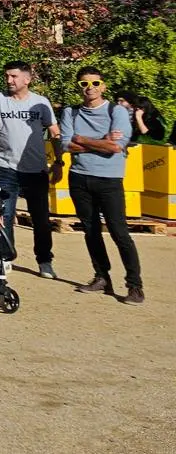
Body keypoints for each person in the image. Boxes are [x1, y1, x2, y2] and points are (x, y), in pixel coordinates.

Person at [60, 67, 142, 303]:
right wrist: (100, 142)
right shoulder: (71, 112)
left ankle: (135, 286)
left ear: (103, 86)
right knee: (90, 230)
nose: (90, 89)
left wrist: (82, 139)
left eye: (95, 83)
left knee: (119, 232)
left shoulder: (116, 111)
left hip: (109, 180)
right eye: (84, 84)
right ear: (79, 87)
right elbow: (66, 145)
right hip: (78, 177)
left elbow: (116, 147)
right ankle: (102, 276)